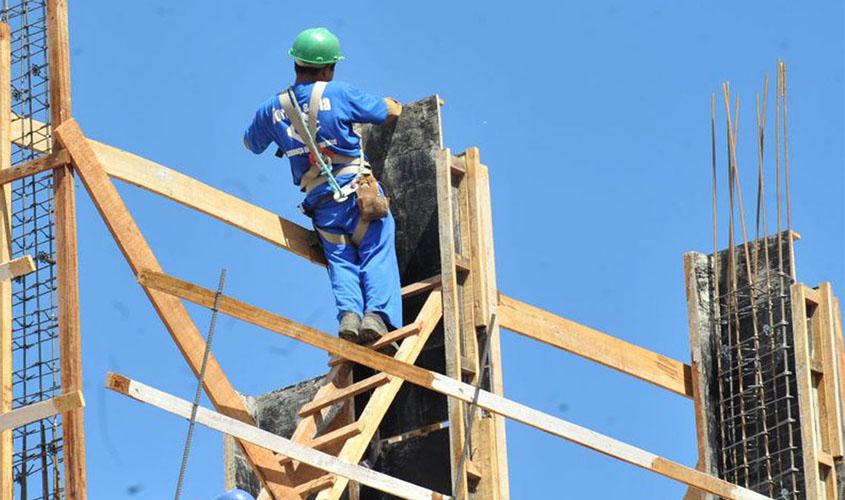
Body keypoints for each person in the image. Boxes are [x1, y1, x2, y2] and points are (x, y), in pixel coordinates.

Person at [243, 27, 403, 344]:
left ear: (296, 64)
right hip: (357, 191)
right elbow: (388, 110)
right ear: (329, 67)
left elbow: (250, 143)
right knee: (375, 249)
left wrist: (284, 136)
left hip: (322, 205)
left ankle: (349, 317)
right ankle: (377, 317)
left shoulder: (271, 108)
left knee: (341, 260)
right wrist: (390, 102)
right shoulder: (340, 93)